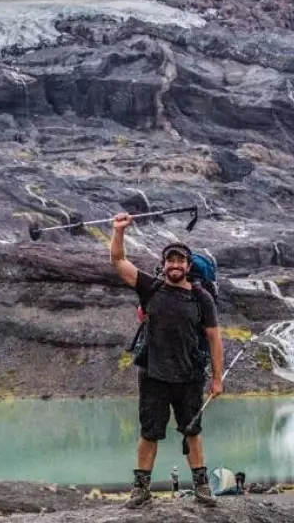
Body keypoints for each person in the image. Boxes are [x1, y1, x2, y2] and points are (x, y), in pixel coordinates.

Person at [110, 212, 224, 508]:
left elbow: (214, 337)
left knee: (192, 431)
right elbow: (118, 261)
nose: (175, 265)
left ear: (188, 266)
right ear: (164, 265)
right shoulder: (150, 287)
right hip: (153, 374)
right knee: (149, 433)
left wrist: (217, 378)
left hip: (190, 376)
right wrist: (119, 231)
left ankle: (201, 486)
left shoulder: (201, 298)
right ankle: (141, 489)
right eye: (170, 260)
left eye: (180, 261)